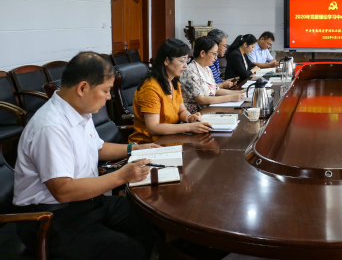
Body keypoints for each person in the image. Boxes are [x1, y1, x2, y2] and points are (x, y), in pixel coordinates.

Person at [13, 52, 157, 260]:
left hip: (85, 201)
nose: (109, 97)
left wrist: (134, 149)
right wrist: (122, 176)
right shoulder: (51, 127)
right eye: (106, 90)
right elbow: (63, 190)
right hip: (52, 216)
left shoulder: (80, 111)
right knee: (128, 251)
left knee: (147, 217)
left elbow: (97, 148)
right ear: (82, 88)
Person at [129, 38, 212, 143]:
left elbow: (181, 111)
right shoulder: (150, 88)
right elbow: (153, 128)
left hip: (171, 139)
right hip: (149, 144)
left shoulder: (173, 82)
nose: (185, 66)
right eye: (182, 61)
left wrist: (190, 118)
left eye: (186, 61)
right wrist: (189, 127)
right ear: (167, 61)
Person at [181, 36, 246, 113]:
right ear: (202, 53)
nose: (216, 58)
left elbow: (216, 90)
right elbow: (201, 99)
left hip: (210, 109)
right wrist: (230, 98)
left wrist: (240, 92)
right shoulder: (190, 71)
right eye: (214, 54)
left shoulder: (207, 69)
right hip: (196, 114)